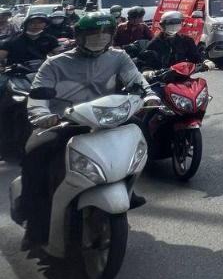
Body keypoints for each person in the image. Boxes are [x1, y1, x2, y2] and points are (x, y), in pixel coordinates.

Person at [20, 13, 159, 250]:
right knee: (34, 157)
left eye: (105, 34)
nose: (99, 39)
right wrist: (43, 116)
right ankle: (35, 223)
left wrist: (150, 97)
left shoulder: (119, 57)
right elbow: (38, 96)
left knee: (139, 130)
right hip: (64, 123)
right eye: (94, 34)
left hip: (108, 119)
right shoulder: (55, 63)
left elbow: (137, 81)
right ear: (79, 36)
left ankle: (128, 184)